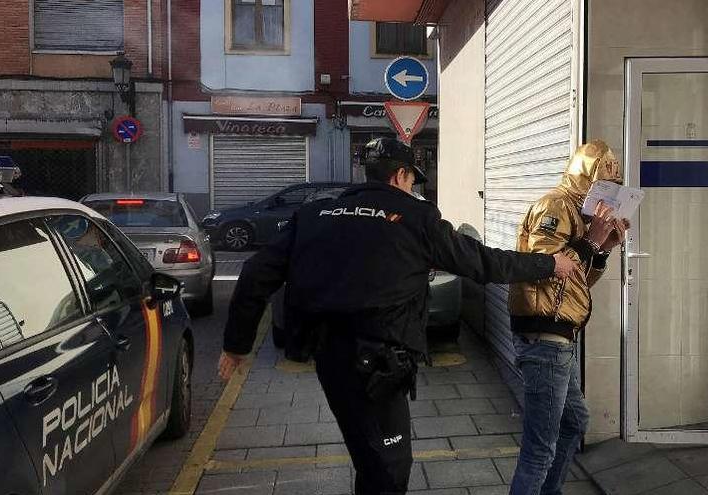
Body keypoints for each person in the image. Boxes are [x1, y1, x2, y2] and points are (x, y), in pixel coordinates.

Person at [217, 137, 579, 495]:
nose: (411, 186)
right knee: (390, 470)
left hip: (329, 358)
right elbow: (481, 262)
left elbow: (254, 275)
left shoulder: (315, 214)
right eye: (411, 179)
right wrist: (548, 263)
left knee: (369, 456)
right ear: (400, 175)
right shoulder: (416, 218)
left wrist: (237, 345)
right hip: (378, 365)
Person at [508, 140, 629, 495]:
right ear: (583, 179)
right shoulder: (556, 205)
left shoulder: (580, 213)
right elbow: (543, 267)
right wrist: (590, 240)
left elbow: (579, 282)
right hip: (544, 337)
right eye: (602, 186)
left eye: (613, 188)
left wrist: (602, 249)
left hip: (560, 338)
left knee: (574, 422)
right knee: (539, 450)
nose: (608, 195)